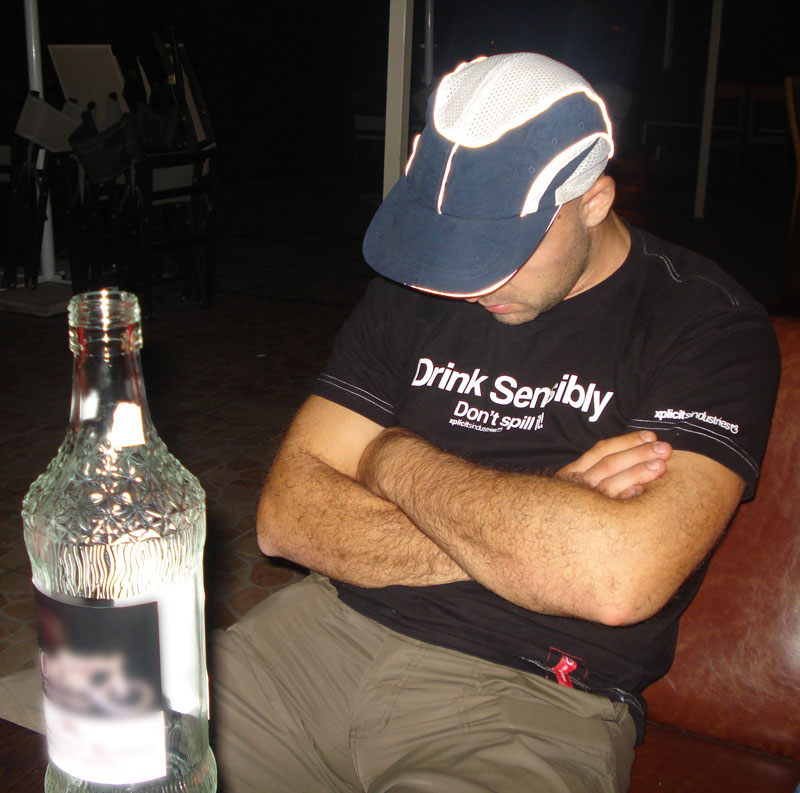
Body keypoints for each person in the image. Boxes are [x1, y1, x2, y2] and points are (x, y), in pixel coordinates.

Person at [211, 52, 779, 793]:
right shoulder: (421, 287)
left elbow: (616, 578)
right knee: (85, 746)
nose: (469, 282)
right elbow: (286, 519)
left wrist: (389, 458)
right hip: (314, 640)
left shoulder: (705, 324)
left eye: (500, 250)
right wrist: (543, 526)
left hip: (530, 697)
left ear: (595, 201)